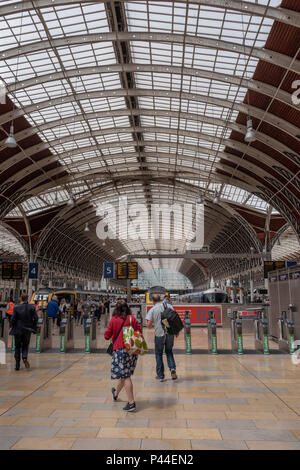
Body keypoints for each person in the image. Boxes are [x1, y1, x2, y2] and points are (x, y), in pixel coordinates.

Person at [104, 300, 142, 412]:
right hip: (131, 350)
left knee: (126, 376)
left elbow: (107, 336)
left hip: (120, 351)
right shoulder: (132, 319)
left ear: (116, 309)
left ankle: (131, 403)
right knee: (124, 373)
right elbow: (139, 332)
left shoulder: (113, 320)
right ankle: (115, 393)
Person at [146, 294, 177, 382]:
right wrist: (176, 331)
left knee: (158, 354)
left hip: (159, 334)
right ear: (160, 299)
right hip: (170, 333)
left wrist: (154, 322)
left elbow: (148, 326)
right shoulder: (169, 306)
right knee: (169, 351)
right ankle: (172, 369)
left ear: (153, 301)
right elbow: (174, 319)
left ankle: (161, 375)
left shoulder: (153, 309)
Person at [10, 294, 38, 371]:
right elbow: (36, 318)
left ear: (20, 299)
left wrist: (13, 326)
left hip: (18, 330)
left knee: (17, 346)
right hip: (27, 330)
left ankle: (17, 364)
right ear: (27, 299)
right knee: (25, 345)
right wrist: (33, 327)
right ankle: (25, 358)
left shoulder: (16, 308)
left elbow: (12, 320)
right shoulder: (32, 307)